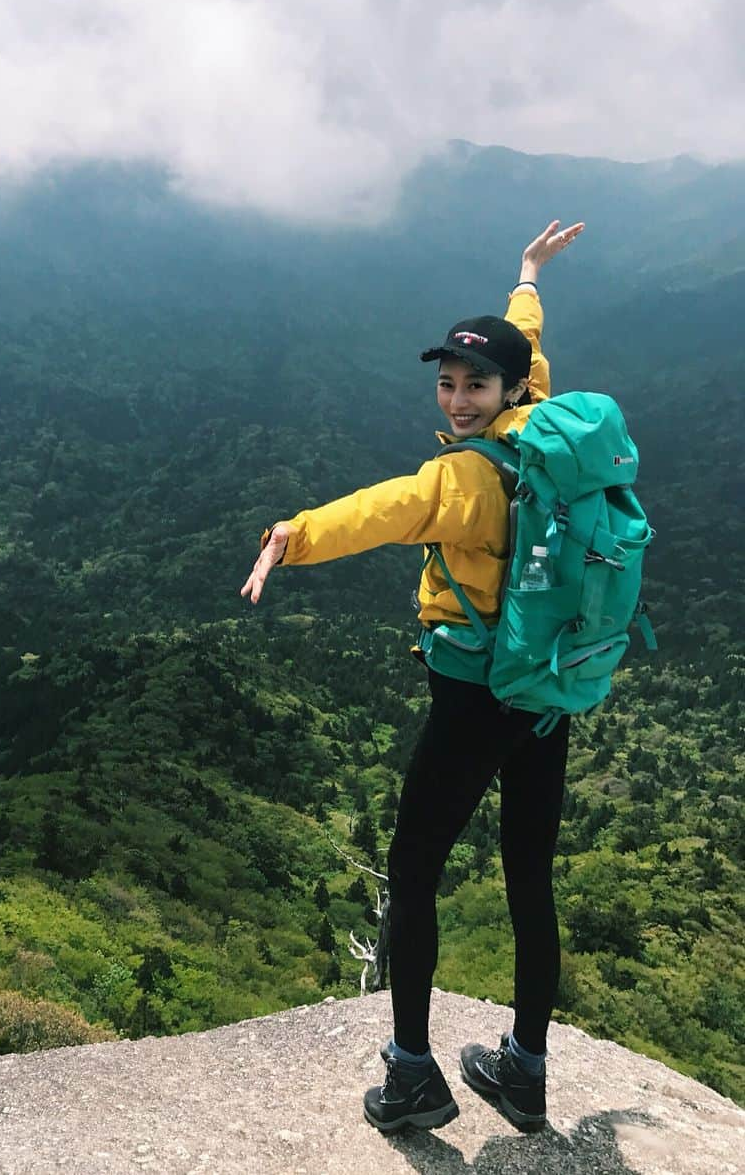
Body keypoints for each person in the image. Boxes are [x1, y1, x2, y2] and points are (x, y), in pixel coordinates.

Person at [240, 219, 585, 1135]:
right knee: (529, 881)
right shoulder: (545, 429)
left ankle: (412, 1077)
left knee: (413, 868)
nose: (461, 398)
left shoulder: (466, 481)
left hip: (476, 698)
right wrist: (526, 279)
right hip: (547, 696)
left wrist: (292, 534)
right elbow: (535, 350)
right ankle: (526, 1070)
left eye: (477, 384)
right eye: (449, 382)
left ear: (503, 389)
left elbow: (390, 509)